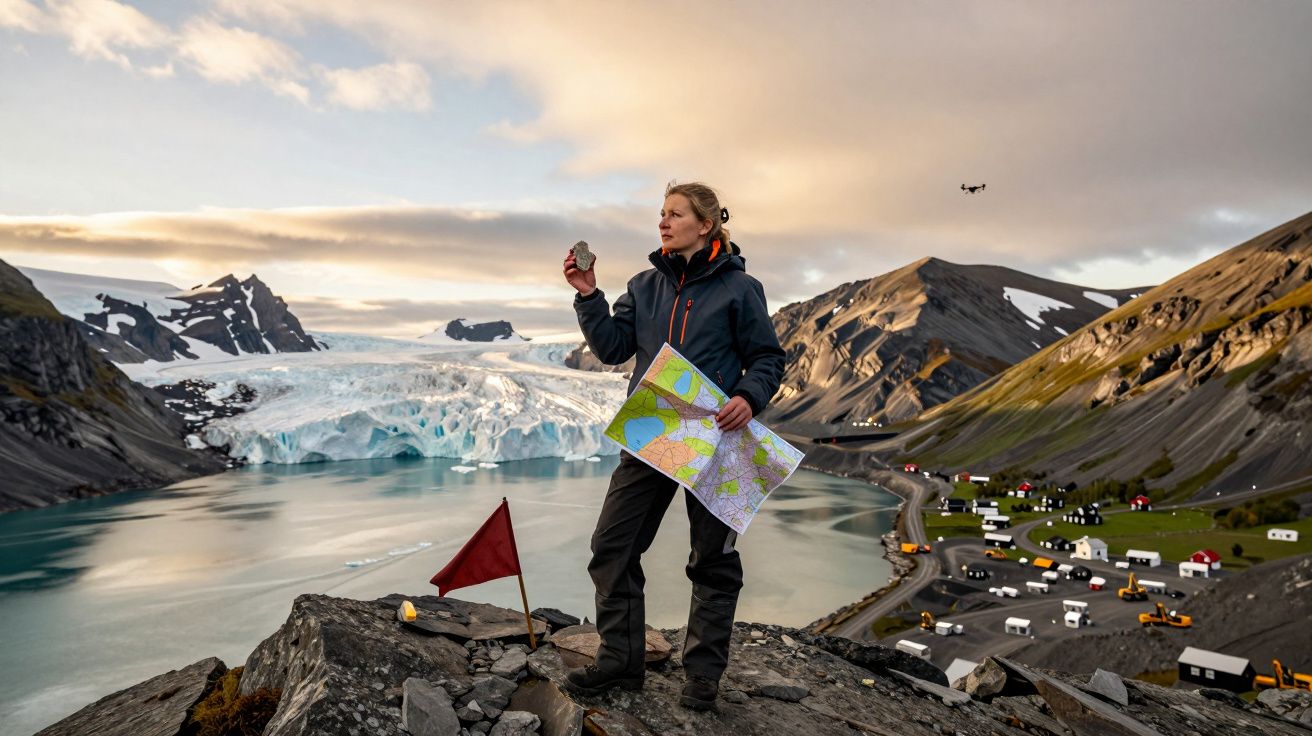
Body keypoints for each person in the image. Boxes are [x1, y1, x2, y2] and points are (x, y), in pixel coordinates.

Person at [560, 181, 786, 710]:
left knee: (712, 560)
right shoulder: (643, 285)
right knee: (612, 547)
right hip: (654, 433)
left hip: (717, 439)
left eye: (676, 214)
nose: (664, 222)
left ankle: (702, 676)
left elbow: (768, 359)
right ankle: (621, 661)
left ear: (705, 225)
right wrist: (589, 295)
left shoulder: (740, 289)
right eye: (661, 214)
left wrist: (749, 397)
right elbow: (615, 348)